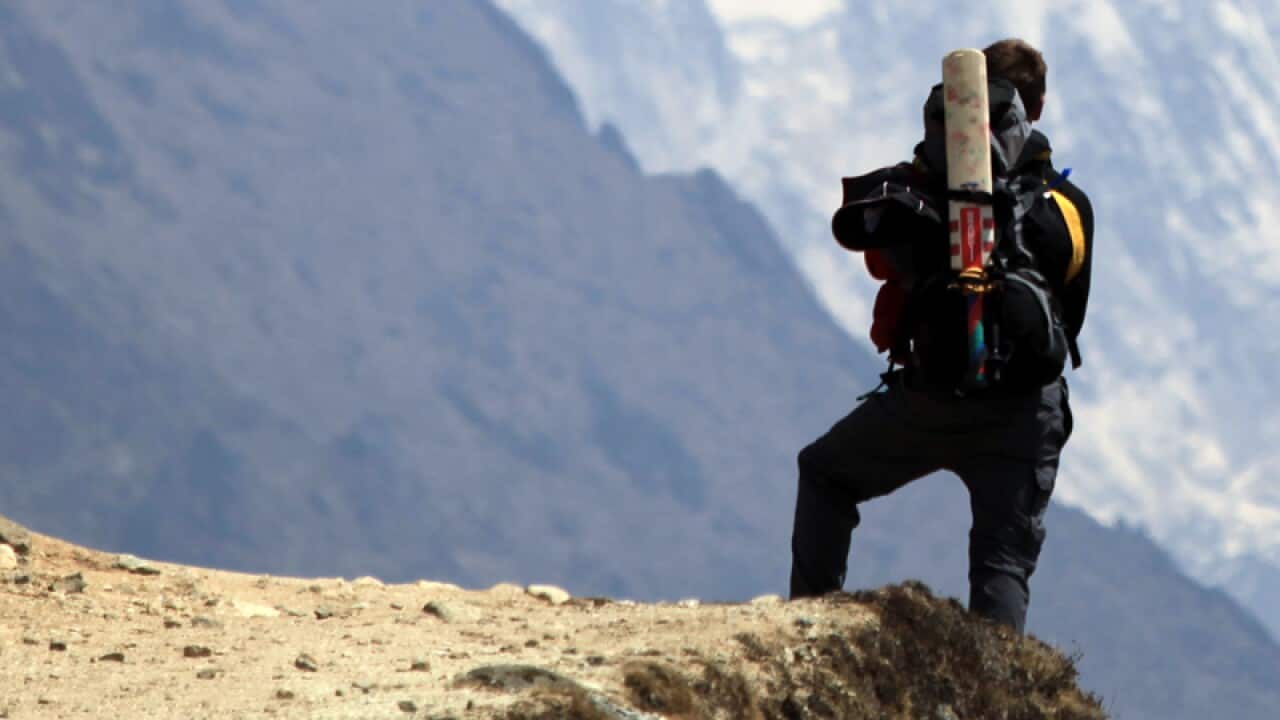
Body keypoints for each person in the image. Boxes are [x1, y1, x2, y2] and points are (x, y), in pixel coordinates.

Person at [788, 38, 1094, 634]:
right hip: (1024, 415)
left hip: (927, 400)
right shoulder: (1067, 207)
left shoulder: (920, 187)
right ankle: (996, 697)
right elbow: (1069, 318)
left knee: (825, 474)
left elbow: (881, 260)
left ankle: (804, 634)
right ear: (1039, 105)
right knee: (1001, 568)